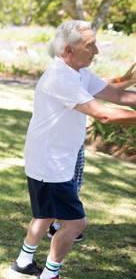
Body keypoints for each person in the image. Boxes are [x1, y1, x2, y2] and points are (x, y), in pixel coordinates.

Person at [10, 20, 136, 279]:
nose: (97, 50)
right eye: (89, 45)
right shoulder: (60, 77)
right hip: (50, 163)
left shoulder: (78, 72)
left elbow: (117, 95)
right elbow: (104, 114)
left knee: (44, 214)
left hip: (51, 157)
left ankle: (23, 261)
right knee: (75, 223)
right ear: (68, 49)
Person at [47, 63, 136, 241]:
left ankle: (57, 223)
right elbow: (99, 95)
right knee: (69, 183)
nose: (94, 51)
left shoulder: (75, 73)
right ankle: (58, 225)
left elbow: (102, 86)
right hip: (66, 140)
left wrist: (123, 80)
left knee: (70, 182)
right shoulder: (66, 76)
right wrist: (128, 81)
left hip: (69, 140)